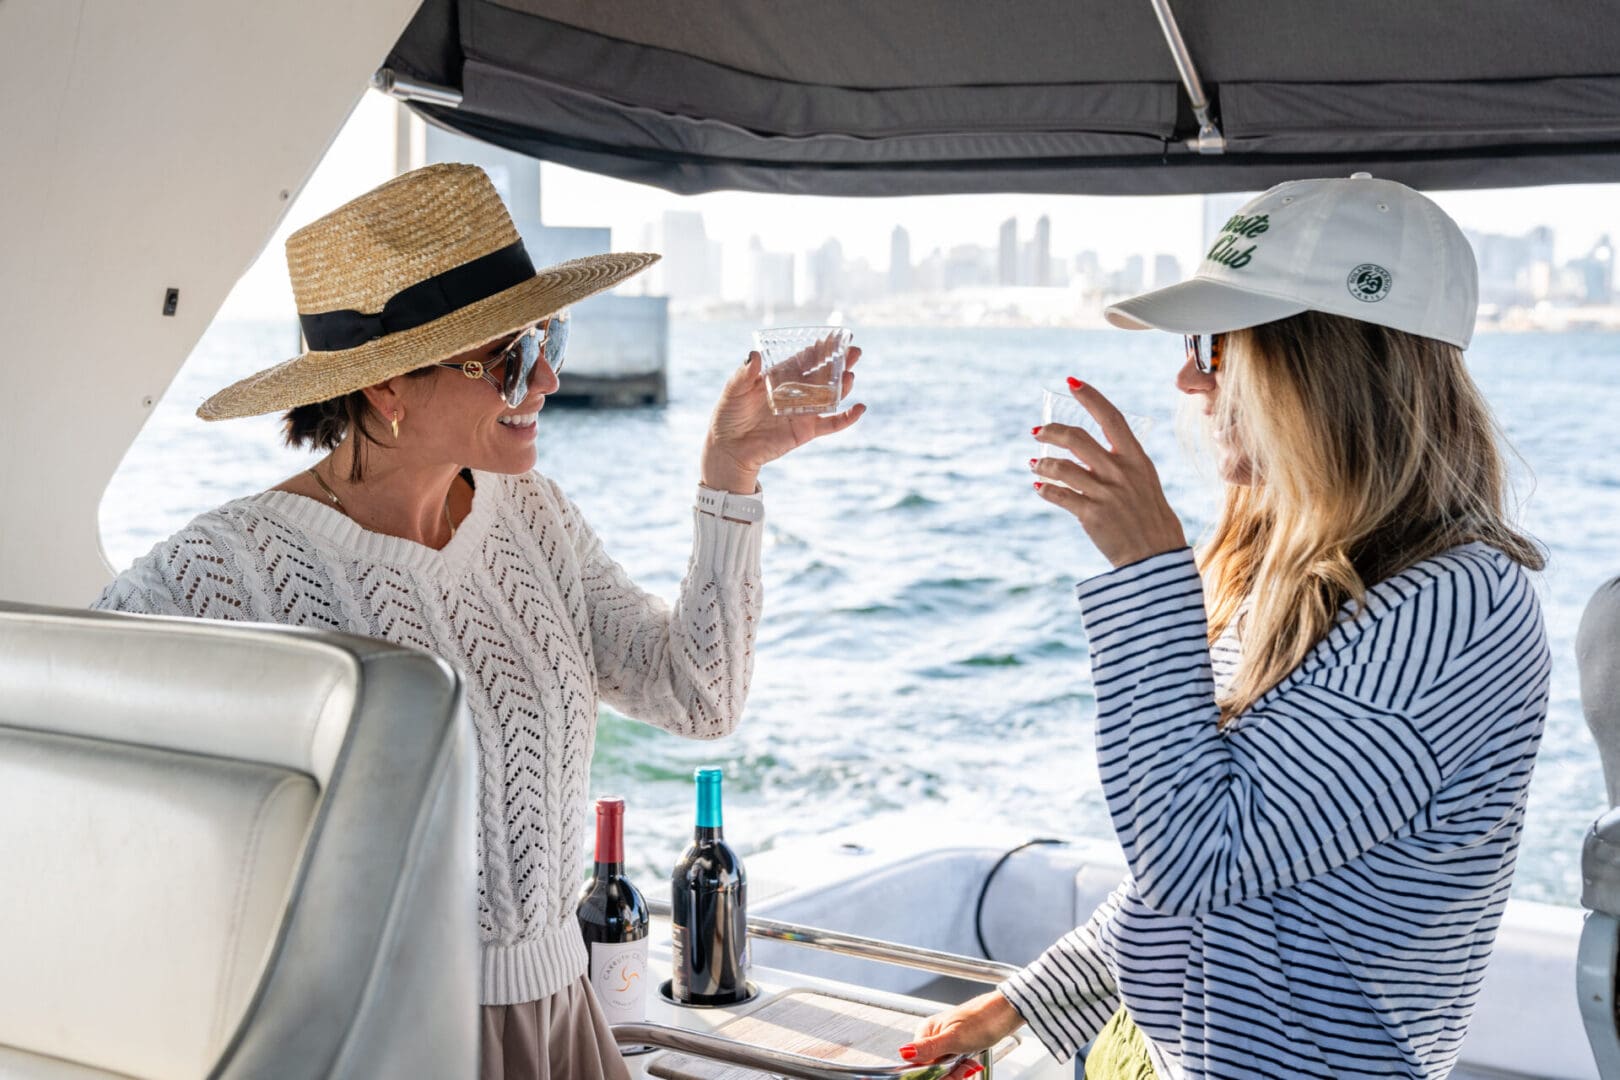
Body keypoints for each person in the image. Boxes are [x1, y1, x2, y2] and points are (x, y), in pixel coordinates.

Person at [92, 163, 865, 1080]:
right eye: (508, 358)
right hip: (382, 1043)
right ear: (387, 386)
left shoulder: (531, 513)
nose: (544, 380)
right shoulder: (227, 570)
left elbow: (697, 699)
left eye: (550, 339)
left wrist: (729, 475)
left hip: (559, 1020)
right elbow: (90, 755)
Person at [904, 175, 1550, 1079]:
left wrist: (1146, 572)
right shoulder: (1289, 561)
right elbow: (1225, 884)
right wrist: (1034, 998)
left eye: (1214, 346)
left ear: (1320, 363)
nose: (1187, 378)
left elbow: (1198, 852)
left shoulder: (1453, 610)